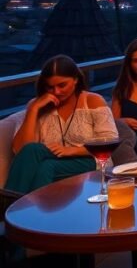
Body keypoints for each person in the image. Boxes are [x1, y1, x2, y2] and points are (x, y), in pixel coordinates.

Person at [5, 55, 119, 193]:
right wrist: (33, 109)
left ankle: (7, 206)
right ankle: (26, 211)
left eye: (62, 85)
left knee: (44, 162)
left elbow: (109, 142)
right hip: (53, 161)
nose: (56, 92)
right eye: (50, 87)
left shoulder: (93, 101)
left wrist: (72, 150)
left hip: (90, 162)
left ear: (76, 79)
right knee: (42, 163)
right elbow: (21, 150)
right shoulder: (39, 106)